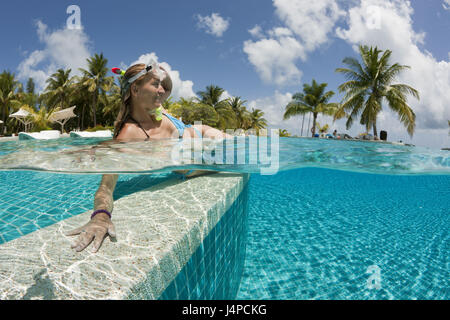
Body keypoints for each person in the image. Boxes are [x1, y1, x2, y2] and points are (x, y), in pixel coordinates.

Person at [66, 61, 232, 253]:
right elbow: (106, 187)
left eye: (162, 85)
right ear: (135, 90)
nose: (162, 90)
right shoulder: (129, 135)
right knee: (236, 156)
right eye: (155, 84)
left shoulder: (158, 110)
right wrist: (101, 216)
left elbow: (167, 87)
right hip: (200, 165)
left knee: (236, 145)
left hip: (203, 133)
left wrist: (160, 75)